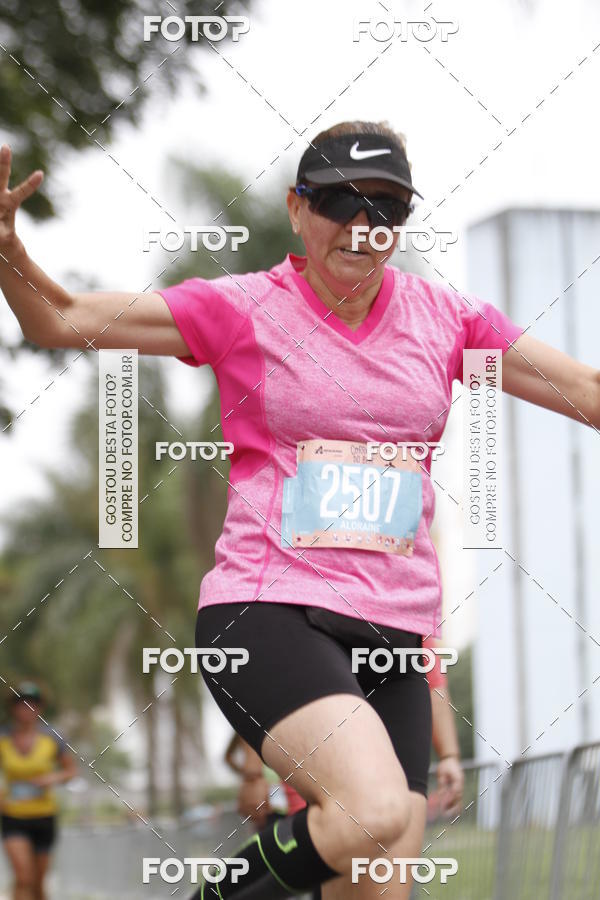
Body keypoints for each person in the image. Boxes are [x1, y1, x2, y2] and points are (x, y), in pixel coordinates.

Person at [0, 119, 597, 899]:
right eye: (338, 201)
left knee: (380, 879)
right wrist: (9, 251)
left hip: (392, 639)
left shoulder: (451, 322)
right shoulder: (242, 308)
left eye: (383, 207)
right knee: (370, 812)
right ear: (296, 208)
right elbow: (61, 318)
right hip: (269, 610)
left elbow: (586, 392)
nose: (361, 225)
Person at [0, 682, 77, 900]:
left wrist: (51, 778)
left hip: (44, 816)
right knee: (23, 876)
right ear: (13, 708)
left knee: (37, 883)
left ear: (39, 708)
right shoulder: (3, 737)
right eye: (21, 704)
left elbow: (71, 771)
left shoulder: (52, 737)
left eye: (32, 705)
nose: (26, 709)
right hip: (13, 816)